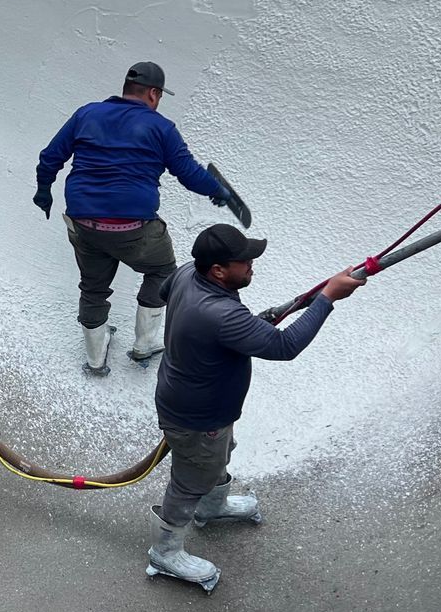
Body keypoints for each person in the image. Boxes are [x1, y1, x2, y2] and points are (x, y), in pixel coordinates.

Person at [145, 224, 364, 590]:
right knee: (190, 480)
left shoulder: (188, 272)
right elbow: (285, 346)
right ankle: (165, 552)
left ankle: (212, 507)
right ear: (218, 270)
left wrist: (233, 332)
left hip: (199, 401)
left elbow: (166, 293)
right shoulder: (219, 313)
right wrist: (327, 298)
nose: (251, 265)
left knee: (219, 453)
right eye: (244, 261)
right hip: (196, 416)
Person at [34, 60, 240, 374]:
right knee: (162, 271)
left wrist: (43, 190)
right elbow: (188, 173)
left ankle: (95, 359)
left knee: (93, 287)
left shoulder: (86, 114)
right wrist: (218, 191)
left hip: (83, 224)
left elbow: (50, 157)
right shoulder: (161, 128)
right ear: (153, 94)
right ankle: (143, 346)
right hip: (134, 230)